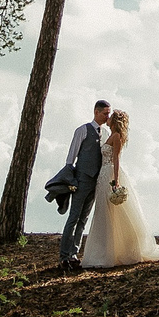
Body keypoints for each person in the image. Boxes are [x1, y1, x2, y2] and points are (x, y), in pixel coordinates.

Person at [79, 108, 159, 269]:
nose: (107, 118)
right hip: (102, 175)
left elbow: (116, 159)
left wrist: (115, 180)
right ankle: (106, 249)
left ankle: (114, 251)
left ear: (115, 121)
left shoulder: (116, 136)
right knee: (103, 211)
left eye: (110, 117)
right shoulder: (109, 134)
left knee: (112, 212)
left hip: (109, 173)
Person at [47, 100, 111, 270]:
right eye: (105, 113)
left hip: (95, 182)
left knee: (83, 220)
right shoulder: (82, 130)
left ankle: (74, 254)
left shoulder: (105, 133)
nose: (107, 116)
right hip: (81, 180)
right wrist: (72, 180)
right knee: (73, 218)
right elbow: (70, 159)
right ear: (96, 112)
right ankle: (64, 257)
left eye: (108, 113)